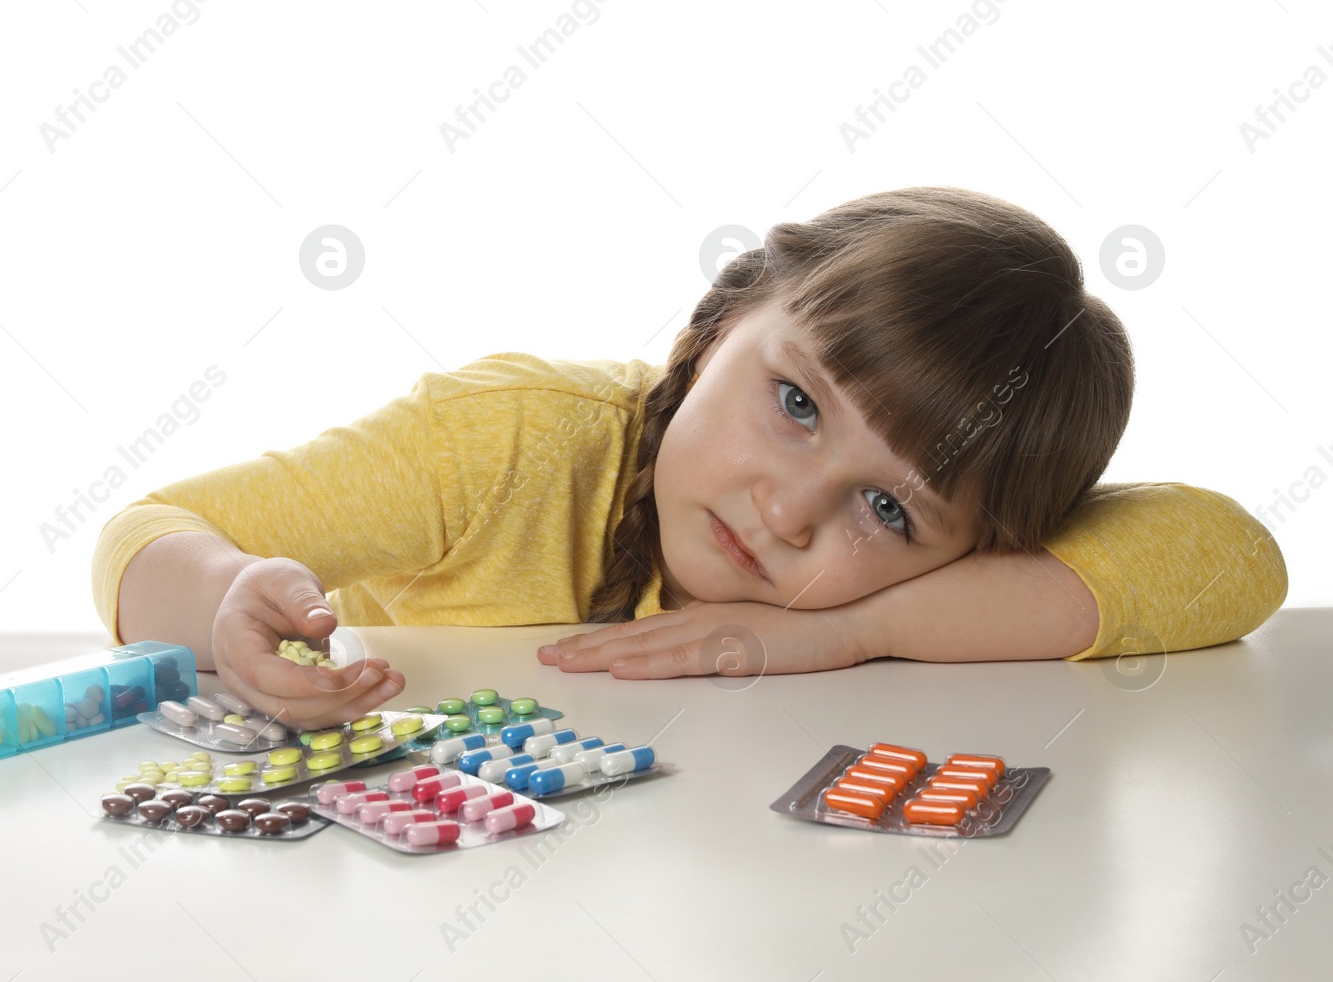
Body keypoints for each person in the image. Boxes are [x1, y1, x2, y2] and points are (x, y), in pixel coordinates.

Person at [93, 187, 1287, 728]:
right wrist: (223, 594)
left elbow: (1232, 556)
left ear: (980, 549)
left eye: (885, 504)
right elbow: (150, 523)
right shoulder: (513, 439)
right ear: (720, 325)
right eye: (795, 402)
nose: (784, 509)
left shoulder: (897, 596)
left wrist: (845, 630)